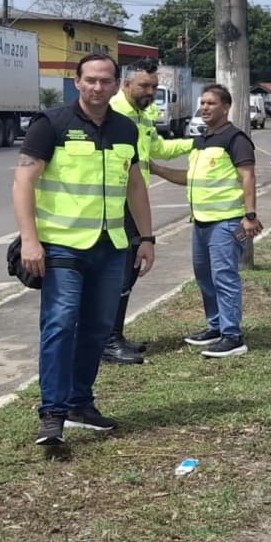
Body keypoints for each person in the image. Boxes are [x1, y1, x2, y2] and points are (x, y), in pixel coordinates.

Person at [12, 53, 157, 447]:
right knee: (60, 325)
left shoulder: (126, 129)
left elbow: (135, 186)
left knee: (97, 329)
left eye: (105, 81)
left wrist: (145, 237)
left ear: (116, 85)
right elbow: (23, 181)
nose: (97, 87)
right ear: (77, 82)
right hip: (62, 246)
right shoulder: (52, 124)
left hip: (112, 247)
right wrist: (30, 239)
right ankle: (53, 413)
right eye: (90, 80)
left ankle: (80, 403)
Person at [152, 84, 260, 359]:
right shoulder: (201, 141)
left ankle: (232, 336)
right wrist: (155, 169)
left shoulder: (235, 139)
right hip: (201, 222)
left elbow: (247, 177)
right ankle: (216, 326)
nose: (205, 107)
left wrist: (250, 216)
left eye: (211, 103)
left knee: (224, 277)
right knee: (204, 277)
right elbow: (190, 178)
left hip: (226, 222)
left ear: (225, 107)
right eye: (202, 103)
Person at [101, 60, 194, 365]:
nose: (150, 92)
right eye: (144, 85)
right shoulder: (113, 115)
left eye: (154, 86)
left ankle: (114, 335)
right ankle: (107, 341)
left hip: (134, 203)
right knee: (119, 273)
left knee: (129, 271)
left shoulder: (141, 116)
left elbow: (159, 150)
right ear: (126, 84)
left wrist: (197, 144)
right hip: (114, 204)